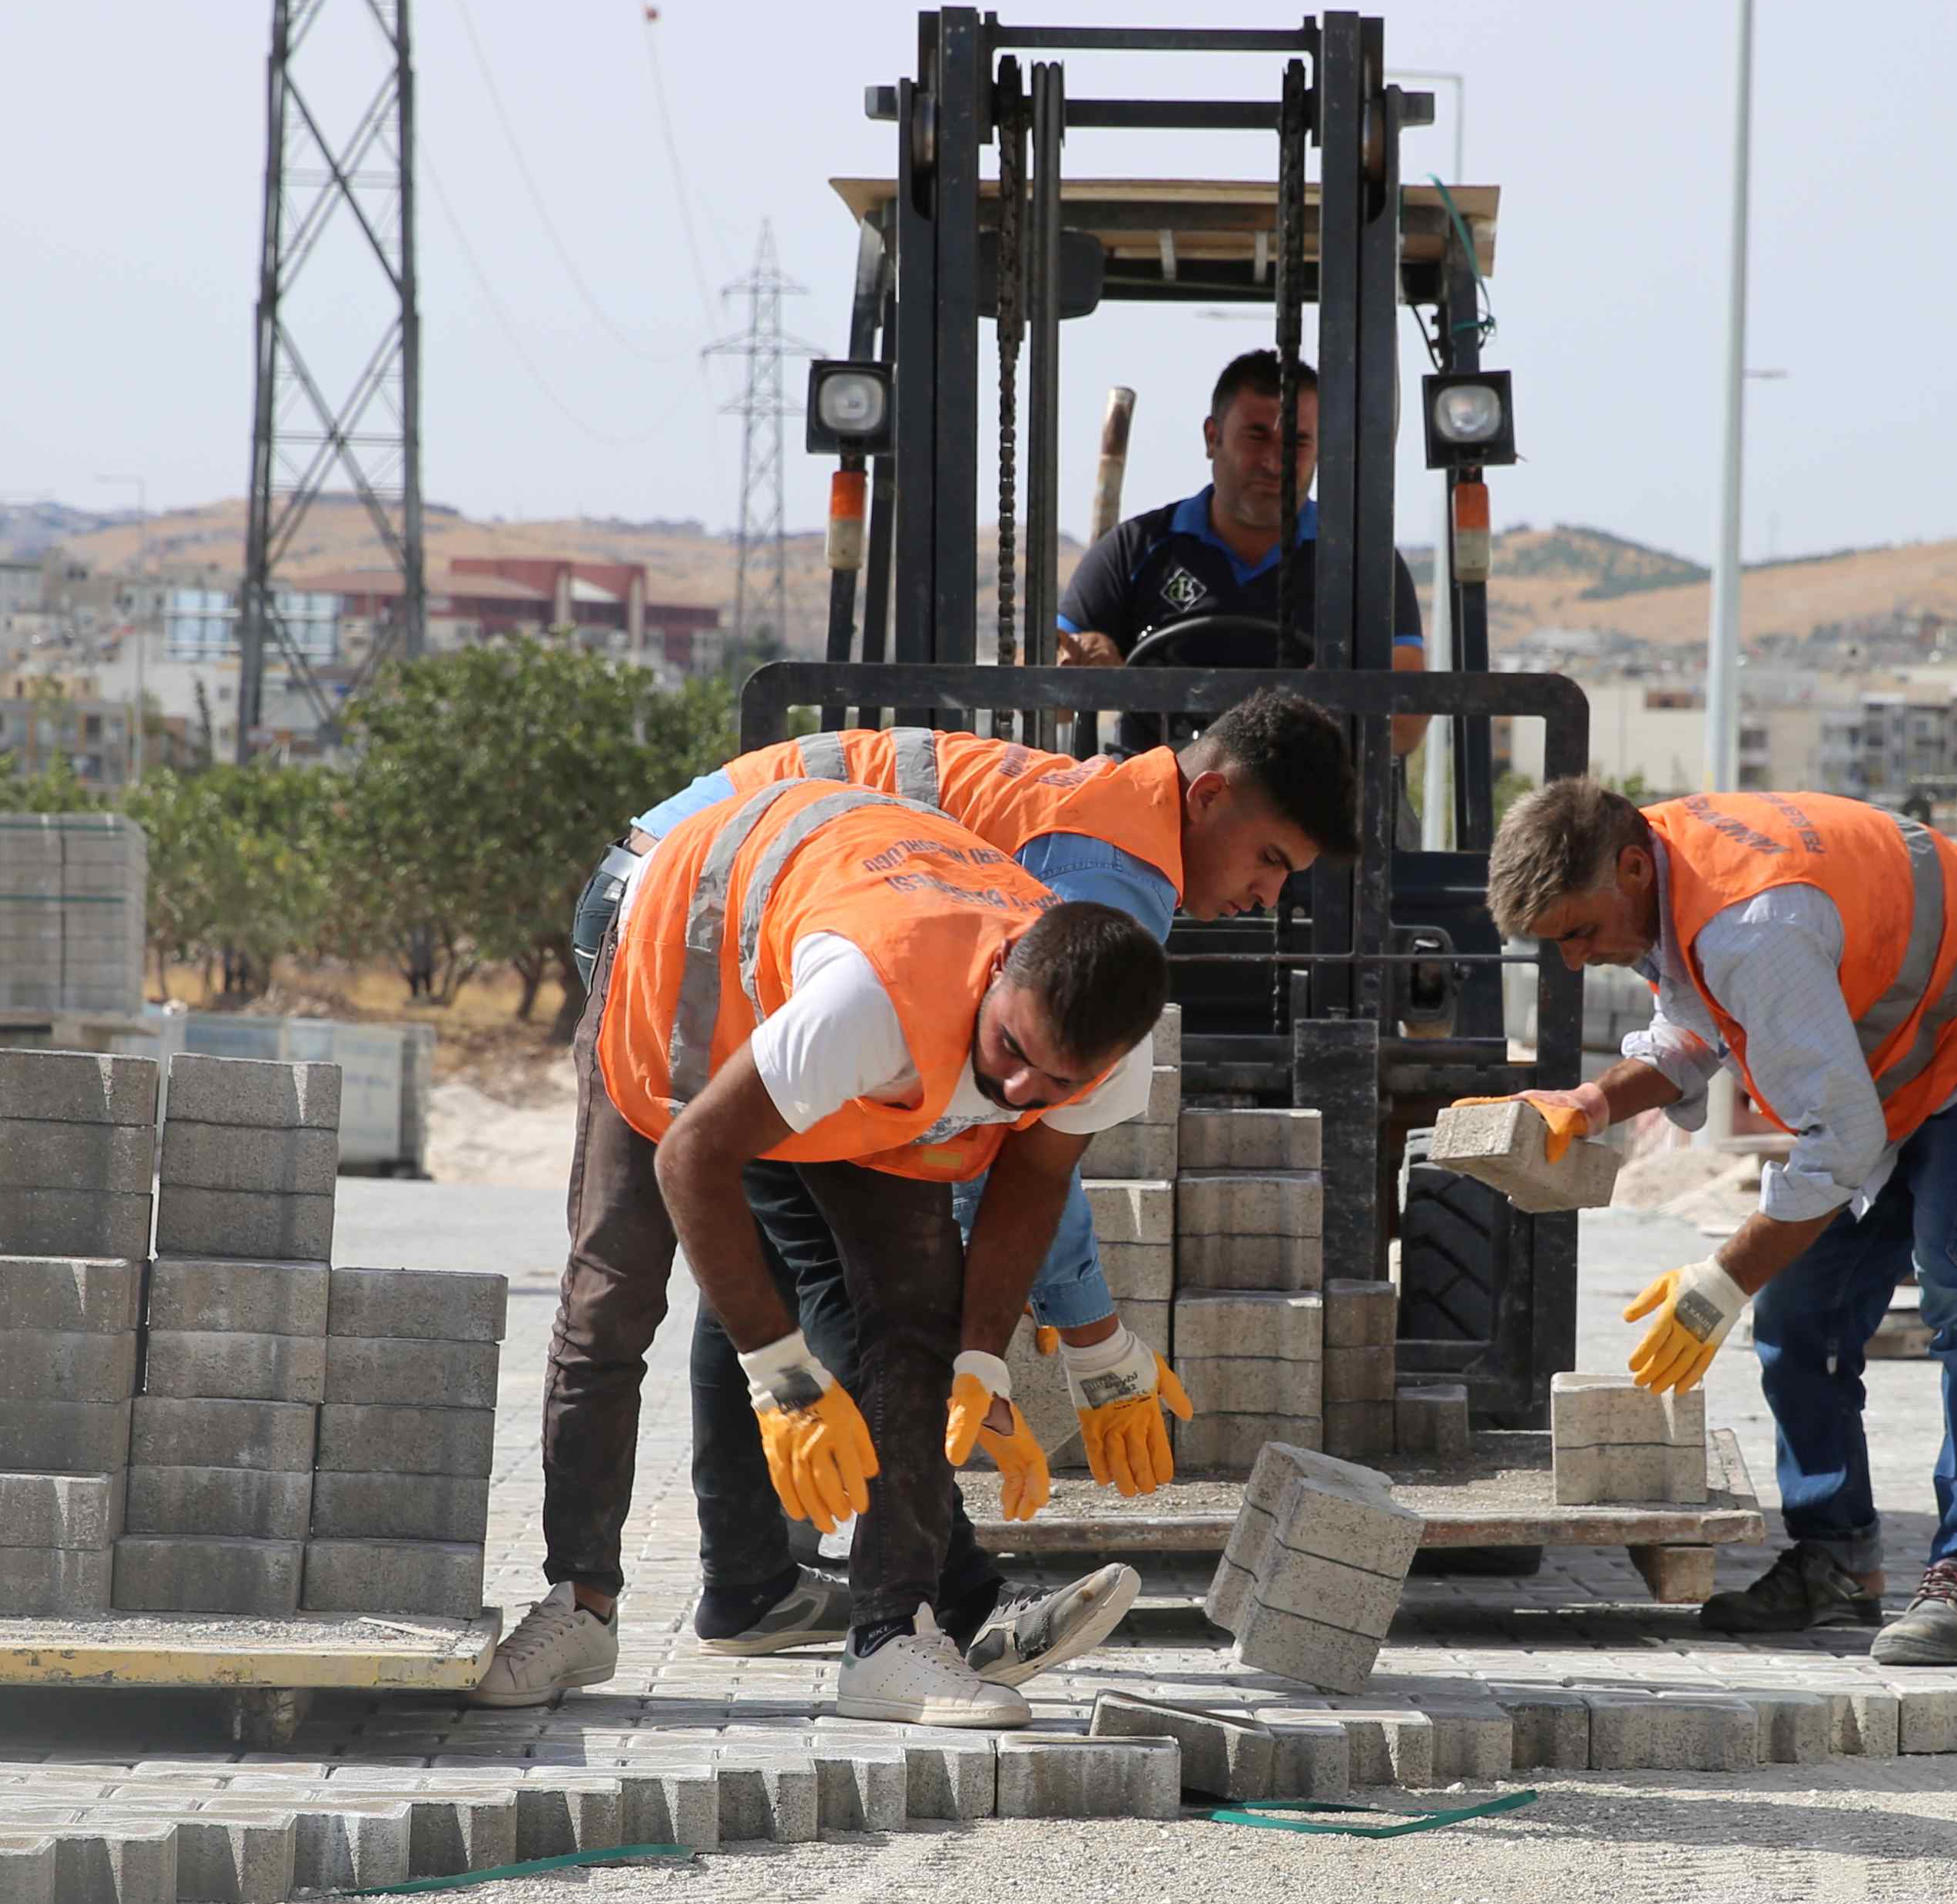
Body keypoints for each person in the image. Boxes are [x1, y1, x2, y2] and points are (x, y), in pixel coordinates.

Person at [636, 691, 1363, 1664]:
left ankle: (750, 1583)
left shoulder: (1118, 812)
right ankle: (954, 1606)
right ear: (1212, 797)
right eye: (1272, 860)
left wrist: (1062, 1335)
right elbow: (1013, 1123)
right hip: (695, 901)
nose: (1269, 897)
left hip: (732, 901)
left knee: (763, 1266)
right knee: (871, 1301)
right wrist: (1089, 1335)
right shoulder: (1111, 885)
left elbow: (1020, 1126)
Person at [487, 781, 1172, 1726]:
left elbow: (1032, 1182)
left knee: (915, 1322)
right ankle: (578, 1605)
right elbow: (696, 1160)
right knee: (614, 1295)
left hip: (818, 985)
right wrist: (783, 1378)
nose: (1016, 1089)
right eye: (1012, 1048)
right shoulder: (874, 1002)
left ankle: (893, 1641)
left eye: (1056, 1080)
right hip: (680, 955)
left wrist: (982, 1356)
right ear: (1003, 965)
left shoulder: (1099, 1054)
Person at [1474, 780, 1957, 1668]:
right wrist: (1589, 1103)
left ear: (1630, 869)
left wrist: (1720, 1283)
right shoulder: (1666, 869)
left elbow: (1838, 1140)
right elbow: (1695, 1026)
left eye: (1577, 933)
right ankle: (1835, 1561)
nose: (1574, 961)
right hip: (1889, 1071)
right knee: (1799, 1322)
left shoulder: (1752, 924)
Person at [1056, 350, 1428, 755]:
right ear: (1212, 437)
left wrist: (1340, 696)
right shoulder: (1135, 551)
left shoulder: (1363, 563)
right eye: (1257, 437)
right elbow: (1044, 679)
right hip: (1158, 803)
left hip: (1309, 805)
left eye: (1297, 442)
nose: (1273, 463)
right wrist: (1077, 662)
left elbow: (1406, 725)